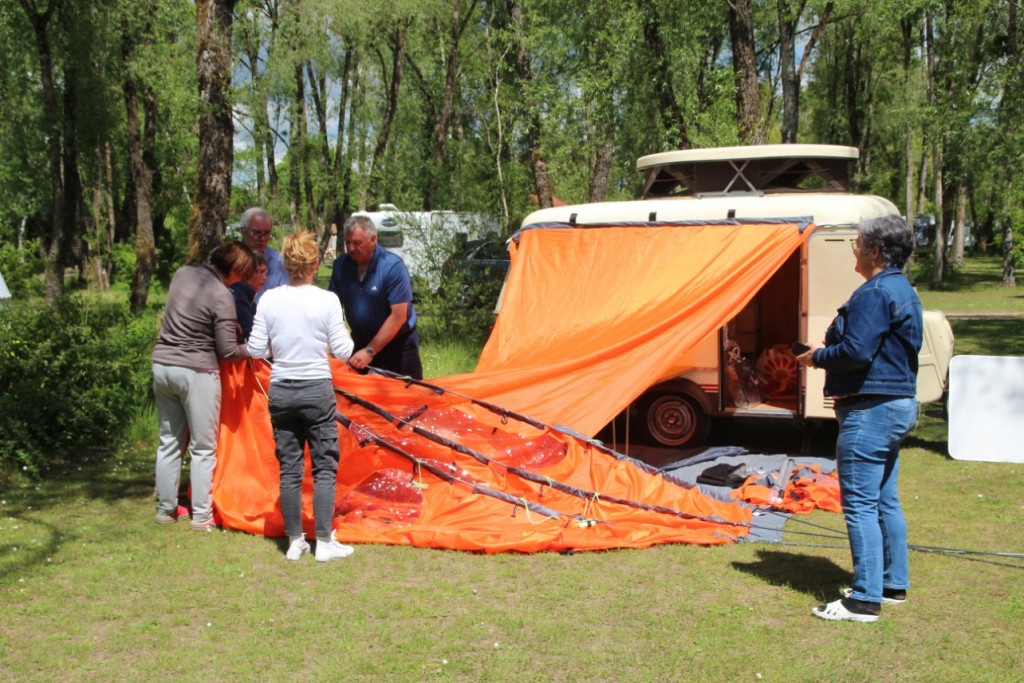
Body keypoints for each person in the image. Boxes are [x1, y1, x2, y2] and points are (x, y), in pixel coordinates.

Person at [796, 215, 922, 623]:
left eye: (857, 242)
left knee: (861, 504)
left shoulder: (876, 292)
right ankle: (891, 584)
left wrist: (816, 358)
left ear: (874, 250)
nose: (853, 249)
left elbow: (855, 352)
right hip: (896, 405)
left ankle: (864, 600)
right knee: (885, 498)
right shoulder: (903, 289)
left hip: (871, 410)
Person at [248, 229, 356, 562]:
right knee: (324, 466)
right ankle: (324, 541)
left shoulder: (268, 299)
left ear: (286, 262)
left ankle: (295, 540)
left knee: (290, 468)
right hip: (316, 390)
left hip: (281, 389)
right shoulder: (327, 300)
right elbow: (343, 349)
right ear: (314, 264)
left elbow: (254, 349)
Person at [152, 240, 256, 531]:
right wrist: (256, 349)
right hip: (196, 372)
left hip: (162, 366)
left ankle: (166, 508)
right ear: (234, 269)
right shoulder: (222, 294)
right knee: (203, 447)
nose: (243, 280)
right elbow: (227, 352)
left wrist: (223, 324)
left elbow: (190, 315)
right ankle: (201, 514)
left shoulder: (181, 274)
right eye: (243, 273)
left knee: (169, 441)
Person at [327, 215, 423, 379]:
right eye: (347, 242)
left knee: (408, 402)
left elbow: (399, 316)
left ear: (373, 240)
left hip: (398, 349)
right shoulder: (341, 266)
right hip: (360, 345)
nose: (350, 248)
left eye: (356, 243)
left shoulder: (392, 266)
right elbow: (329, 305)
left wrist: (370, 351)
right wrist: (342, 334)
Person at [239, 207, 288, 299]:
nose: (262, 239)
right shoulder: (225, 258)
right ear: (243, 231)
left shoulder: (280, 263)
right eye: (257, 233)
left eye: (267, 233)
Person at [230, 252, 267, 342]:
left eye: (264, 272)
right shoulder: (238, 299)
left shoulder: (248, 297)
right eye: (260, 272)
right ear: (245, 273)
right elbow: (252, 336)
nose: (264, 277)